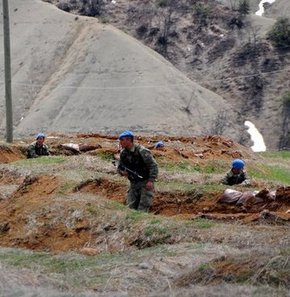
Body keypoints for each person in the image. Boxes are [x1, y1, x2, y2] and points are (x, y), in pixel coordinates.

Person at [117, 130, 158, 212]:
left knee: (143, 209)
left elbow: (153, 166)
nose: (120, 142)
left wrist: (151, 181)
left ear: (129, 140)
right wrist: (122, 172)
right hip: (133, 184)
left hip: (145, 184)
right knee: (130, 208)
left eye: (122, 140)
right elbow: (120, 168)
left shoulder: (142, 151)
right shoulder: (123, 153)